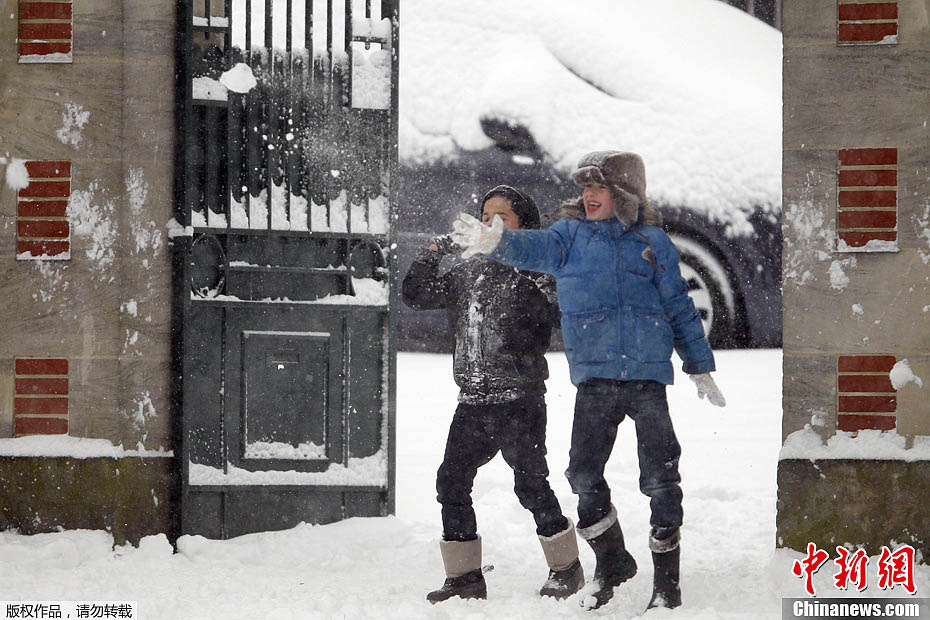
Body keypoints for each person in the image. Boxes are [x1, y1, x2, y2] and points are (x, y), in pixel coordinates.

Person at [450, 151, 727, 611]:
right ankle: (613, 560)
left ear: (623, 193)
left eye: (598, 188)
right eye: (585, 188)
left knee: (660, 477)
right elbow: (532, 248)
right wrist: (495, 241)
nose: (589, 196)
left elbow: (679, 306)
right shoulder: (569, 237)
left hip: (646, 379)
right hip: (596, 379)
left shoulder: (652, 241)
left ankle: (667, 584)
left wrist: (699, 365)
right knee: (582, 474)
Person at [402, 185, 585, 604]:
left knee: (531, 486)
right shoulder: (470, 270)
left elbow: (564, 312)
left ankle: (566, 568)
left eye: (502, 218)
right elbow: (414, 295)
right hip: (473, 401)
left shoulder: (534, 276)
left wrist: (529, 262)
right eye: (485, 217)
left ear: (524, 227)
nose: (490, 224)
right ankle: (464, 577)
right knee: (451, 481)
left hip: (519, 400)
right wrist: (436, 249)